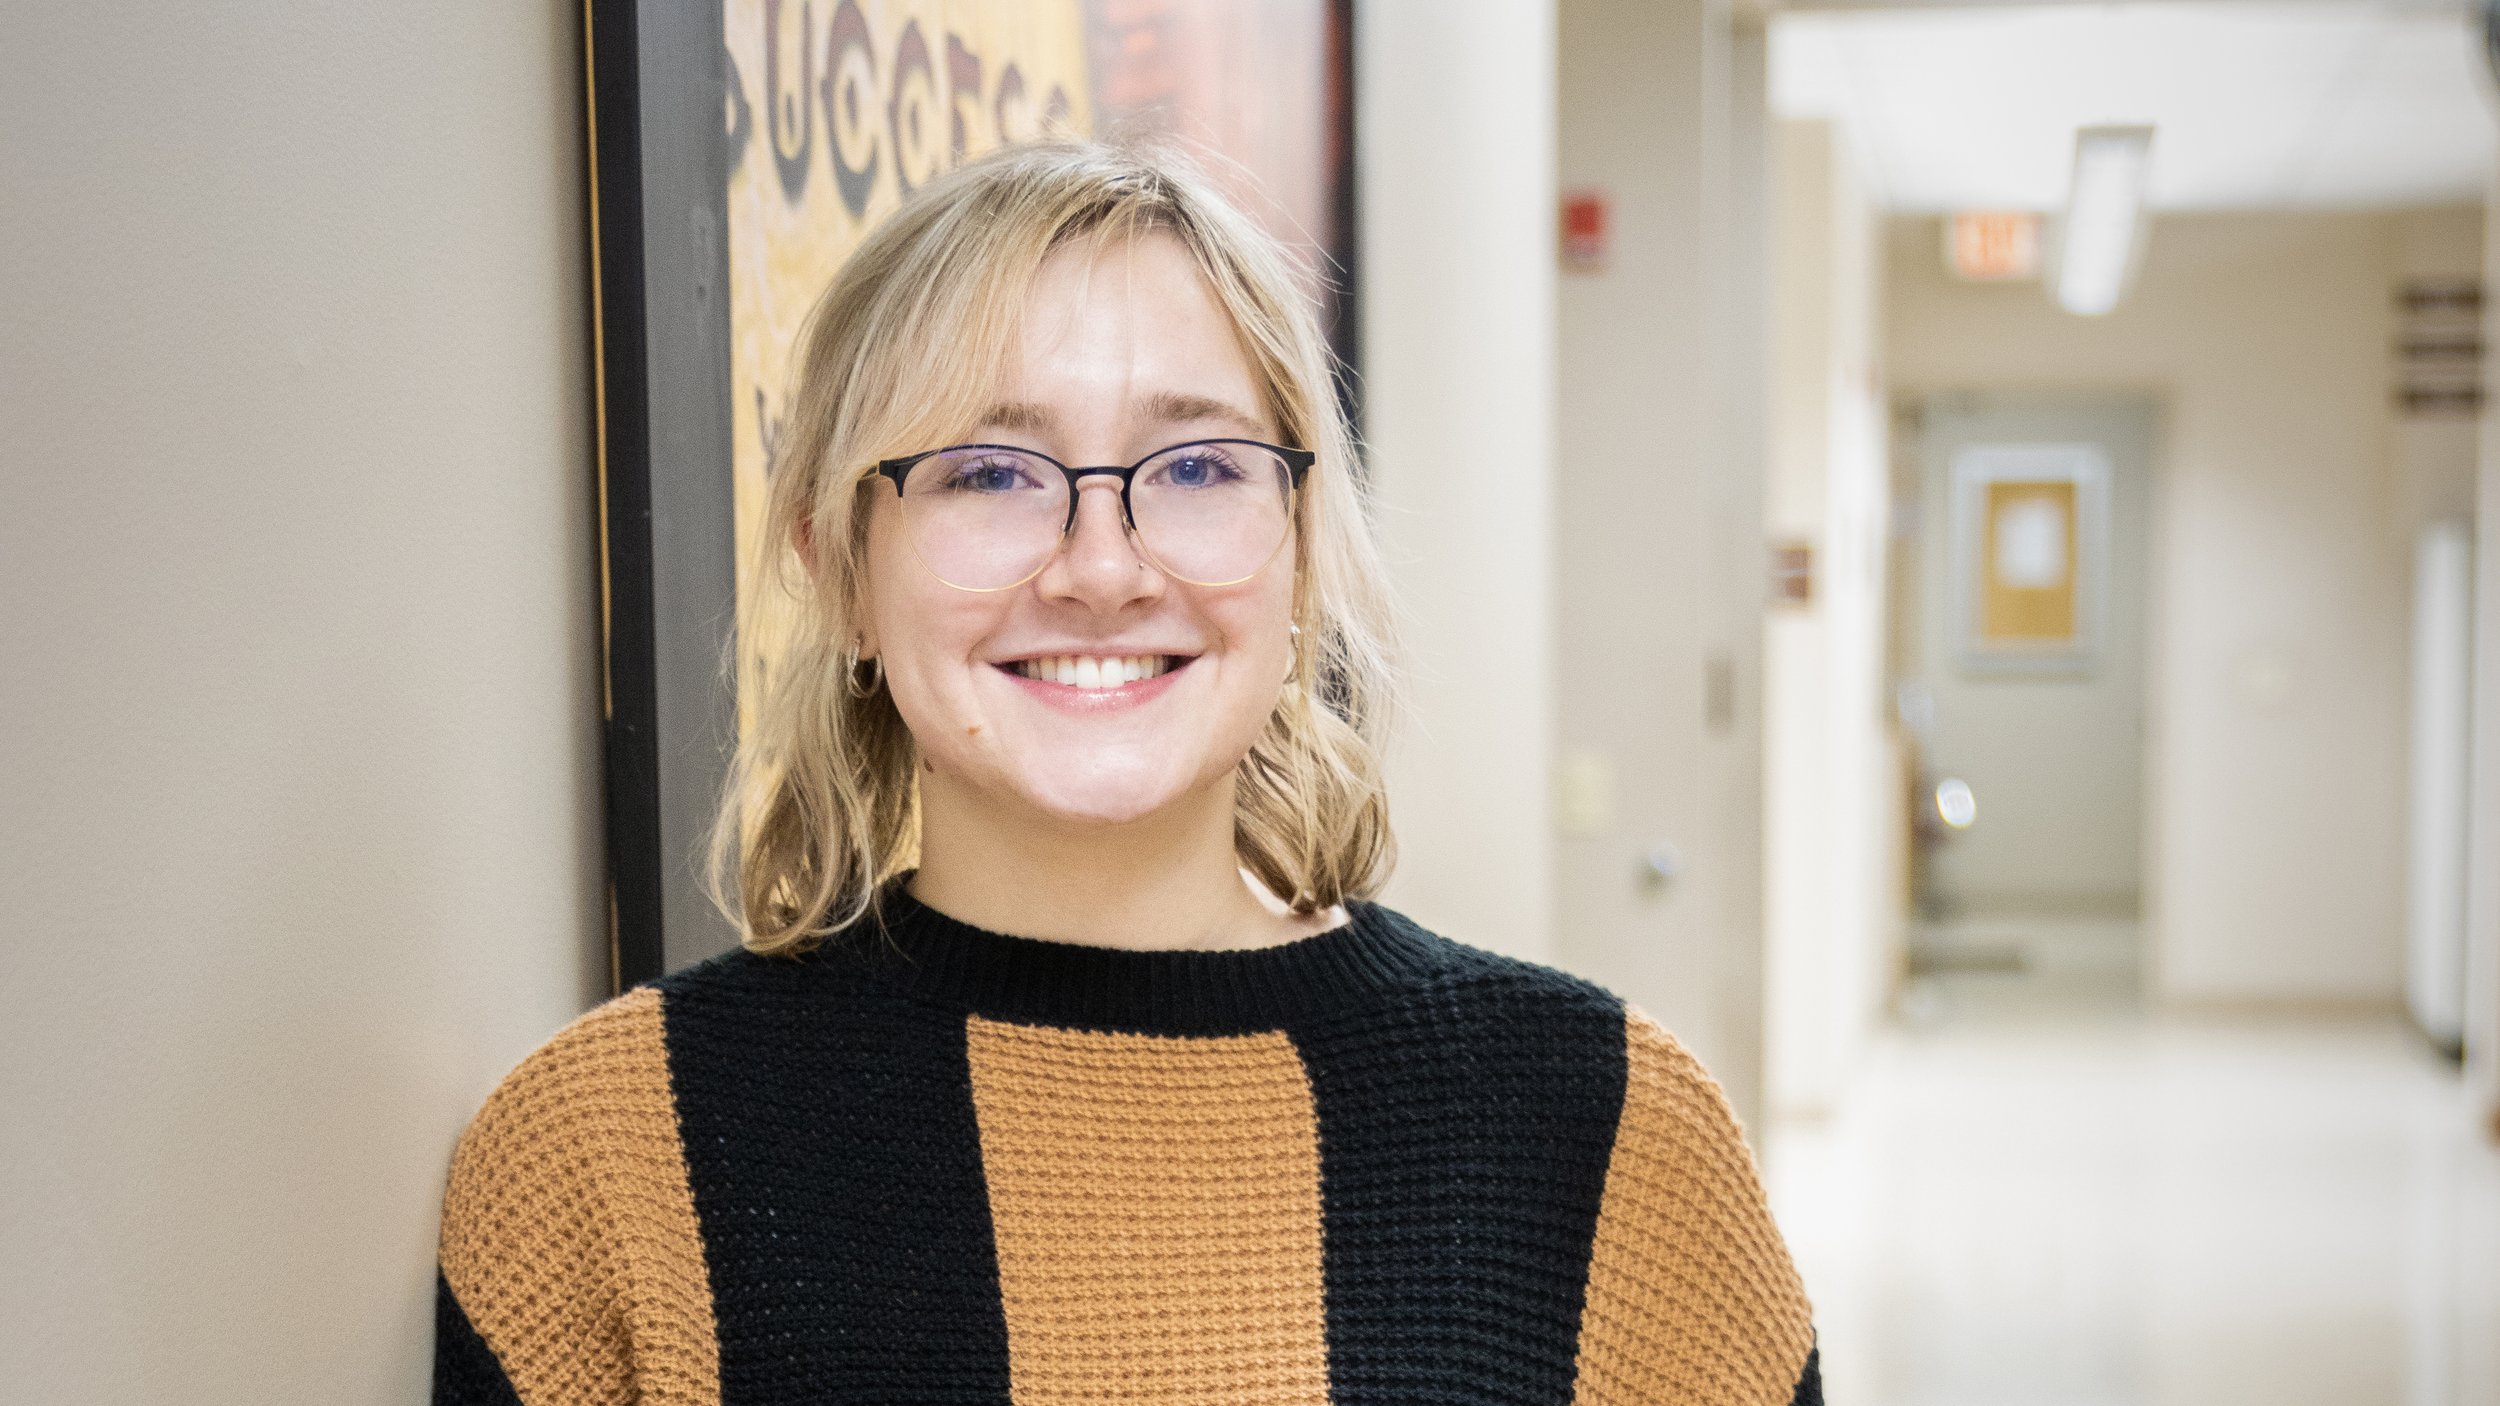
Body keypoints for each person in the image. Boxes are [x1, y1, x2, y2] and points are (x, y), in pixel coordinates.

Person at [430, 138, 1822, 1406]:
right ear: (840, 569)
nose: (1101, 569)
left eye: (1199, 466)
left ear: (1301, 550)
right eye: (990, 472)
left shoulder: (1609, 1133)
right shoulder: (605, 1158)